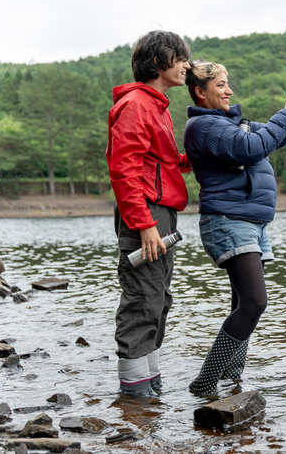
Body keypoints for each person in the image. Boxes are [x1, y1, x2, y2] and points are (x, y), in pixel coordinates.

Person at [183, 61, 286, 397]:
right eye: (221, 85)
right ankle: (205, 382)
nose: (229, 90)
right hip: (228, 220)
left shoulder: (229, 124)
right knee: (254, 302)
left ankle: (232, 378)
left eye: (228, 84)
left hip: (249, 221)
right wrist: (283, 115)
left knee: (242, 302)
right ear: (201, 91)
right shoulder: (205, 127)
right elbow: (252, 147)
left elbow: (273, 140)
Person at [106, 30, 192, 397]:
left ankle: (149, 386)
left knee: (159, 298)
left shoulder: (156, 105)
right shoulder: (137, 104)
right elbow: (123, 168)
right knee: (143, 299)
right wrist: (143, 224)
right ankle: (134, 395)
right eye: (181, 57)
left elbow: (165, 165)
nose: (187, 64)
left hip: (160, 212)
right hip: (146, 214)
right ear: (159, 62)